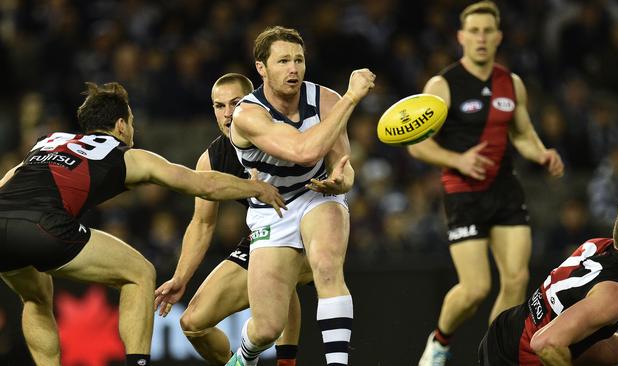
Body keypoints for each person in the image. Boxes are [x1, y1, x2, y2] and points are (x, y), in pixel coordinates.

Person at [0, 82, 285, 366]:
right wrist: (255, 189)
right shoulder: (124, 154)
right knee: (139, 273)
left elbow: (7, 183)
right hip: (44, 225)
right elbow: (201, 184)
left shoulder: (47, 141)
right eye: (132, 122)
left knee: (35, 295)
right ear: (122, 125)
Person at [407, 2, 564, 365]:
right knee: (476, 288)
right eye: (473, 31)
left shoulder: (512, 83)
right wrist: (457, 159)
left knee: (516, 277)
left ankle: (494, 358)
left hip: (506, 189)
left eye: (487, 31)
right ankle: (440, 342)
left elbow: (522, 134)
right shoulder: (442, 85)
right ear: (461, 37)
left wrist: (541, 153)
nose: (481, 37)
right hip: (464, 194)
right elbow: (418, 145)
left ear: (498, 37)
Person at [225, 26, 375, 366]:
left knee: (326, 266)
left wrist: (340, 182)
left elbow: (343, 165)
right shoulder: (248, 114)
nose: (293, 68)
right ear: (261, 68)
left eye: (299, 60)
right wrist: (353, 98)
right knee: (267, 327)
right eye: (283, 61)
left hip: (315, 193)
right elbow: (304, 151)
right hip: (271, 208)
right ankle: (243, 357)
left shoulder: (326, 100)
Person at [153, 73, 311, 366]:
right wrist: (180, 277)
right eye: (218, 106)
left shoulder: (281, 135)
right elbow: (202, 224)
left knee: (280, 271)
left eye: (235, 103)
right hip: (264, 237)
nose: (227, 114)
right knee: (192, 322)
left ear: (254, 103)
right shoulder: (212, 160)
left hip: (311, 232)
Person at [478, 200, 618, 365]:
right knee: (552, 346)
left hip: (508, 326)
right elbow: (545, 344)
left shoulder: (600, 246)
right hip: (515, 357)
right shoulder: (616, 295)